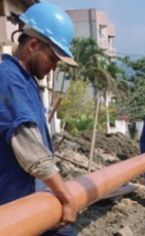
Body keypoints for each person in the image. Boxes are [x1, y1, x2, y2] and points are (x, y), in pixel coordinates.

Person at [0, 2, 78, 235]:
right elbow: (32, 152)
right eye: (53, 59)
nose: (54, 67)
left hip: (33, 197)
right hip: (16, 208)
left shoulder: (26, 81)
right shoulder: (9, 81)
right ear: (33, 45)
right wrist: (67, 198)